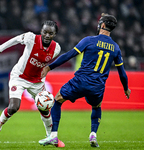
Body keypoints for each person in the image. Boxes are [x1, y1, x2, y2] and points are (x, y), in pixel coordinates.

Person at [39, 13, 131, 147]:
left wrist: (49, 67)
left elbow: (69, 55)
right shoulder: (116, 48)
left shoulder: (89, 40)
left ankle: (53, 135)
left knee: (57, 99)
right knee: (96, 106)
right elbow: (122, 73)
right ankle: (93, 134)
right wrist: (126, 88)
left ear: (103, 25)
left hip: (81, 81)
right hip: (98, 86)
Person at [0, 20, 65, 147]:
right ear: (41, 31)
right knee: (14, 107)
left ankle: (51, 137)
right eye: (45, 32)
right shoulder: (31, 38)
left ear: (54, 34)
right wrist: (0, 48)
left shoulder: (56, 48)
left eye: (50, 33)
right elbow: (16, 39)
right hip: (19, 77)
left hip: (37, 82)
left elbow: (44, 64)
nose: (47, 35)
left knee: (45, 110)